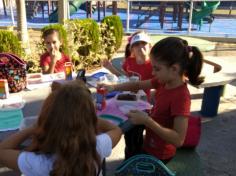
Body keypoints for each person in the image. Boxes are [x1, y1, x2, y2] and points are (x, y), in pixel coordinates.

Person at [99, 37, 204, 163]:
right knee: (132, 135)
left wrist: (147, 121)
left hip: (161, 156)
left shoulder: (181, 97)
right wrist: (113, 87)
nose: (153, 72)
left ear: (174, 69)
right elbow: (137, 85)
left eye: (157, 68)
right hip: (150, 144)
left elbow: (178, 140)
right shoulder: (163, 82)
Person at [0, 80, 122, 176]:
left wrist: (34, 128)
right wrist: (88, 117)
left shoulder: (37, 162)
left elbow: (2, 151)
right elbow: (116, 130)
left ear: (46, 118)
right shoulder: (97, 146)